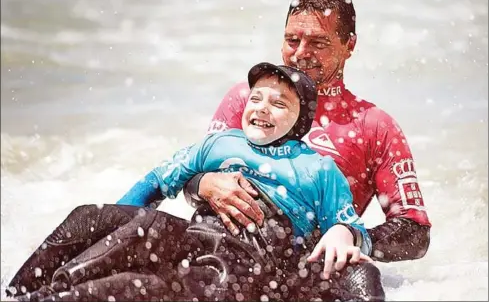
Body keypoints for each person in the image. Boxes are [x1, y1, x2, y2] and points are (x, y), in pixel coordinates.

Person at [7, 63, 385, 302]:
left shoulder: (318, 168)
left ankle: (56, 294)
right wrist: (116, 218)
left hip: (241, 265)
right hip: (188, 240)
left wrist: (343, 233)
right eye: (256, 98)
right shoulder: (220, 144)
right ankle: (18, 290)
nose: (262, 108)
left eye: (279, 103)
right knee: (90, 215)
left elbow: (350, 225)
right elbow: (157, 181)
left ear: (301, 122)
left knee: (129, 287)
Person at [181, 0, 432, 263]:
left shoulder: (374, 127)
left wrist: (352, 237)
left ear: (350, 45)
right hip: (220, 252)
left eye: (318, 43)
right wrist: (203, 184)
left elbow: (415, 233)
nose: (301, 53)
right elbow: (186, 174)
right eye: (292, 40)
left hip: (305, 269)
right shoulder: (246, 100)